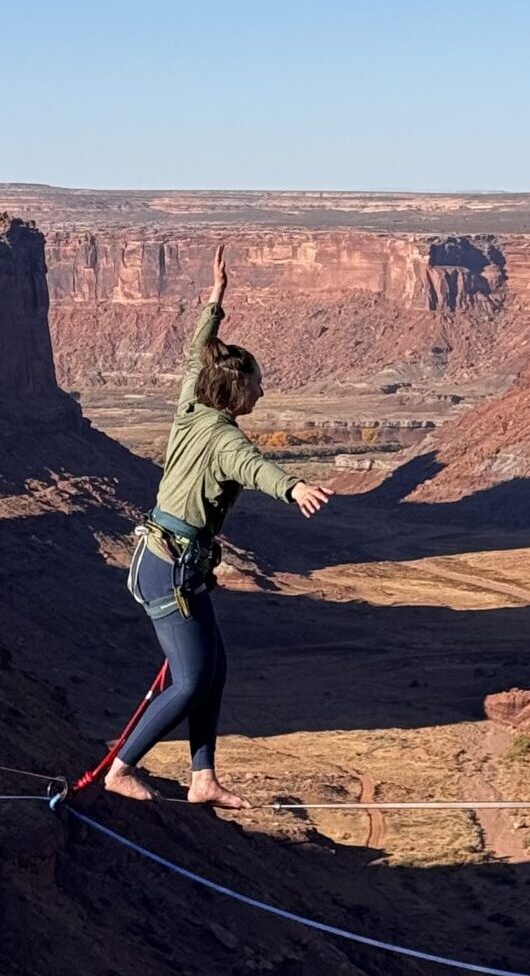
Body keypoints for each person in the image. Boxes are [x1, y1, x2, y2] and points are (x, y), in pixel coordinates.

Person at [105, 243, 333, 809]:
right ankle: (120, 767)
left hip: (174, 564)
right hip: (169, 571)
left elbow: (193, 356)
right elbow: (254, 469)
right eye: (256, 383)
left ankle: (202, 777)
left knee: (214, 670)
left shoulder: (192, 405)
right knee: (187, 681)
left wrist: (216, 299)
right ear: (235, 392)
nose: (262, 389)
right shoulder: (226, 439)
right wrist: (295, 487)